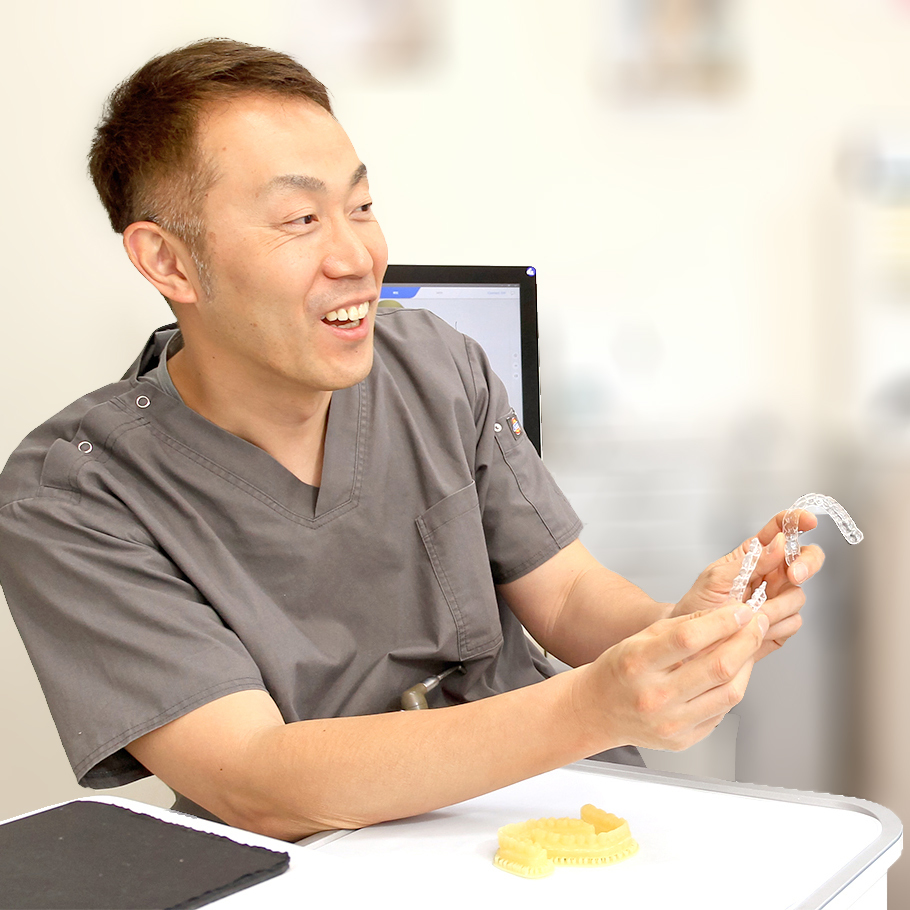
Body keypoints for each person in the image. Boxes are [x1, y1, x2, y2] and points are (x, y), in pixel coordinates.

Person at [0, 38, 822, 843]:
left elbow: (567, 596)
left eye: (361, 207)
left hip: (547, 807)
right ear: (168, 262)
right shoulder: (73, 494)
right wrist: (590, 706)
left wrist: (681, 631)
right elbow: (251, 778)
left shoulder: (436, 364)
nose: (359, 256)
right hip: (325, 861)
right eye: (300, 219)